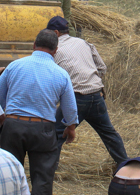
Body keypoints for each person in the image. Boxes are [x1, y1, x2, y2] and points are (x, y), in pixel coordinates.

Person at [0, 29, 77, 195]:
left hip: (13, 125)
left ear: (33, 45)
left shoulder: (14, 66)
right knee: (43, 176)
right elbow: (70, 108)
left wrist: (4, 121)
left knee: (10, 172)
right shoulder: (61, 73)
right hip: (43, 128)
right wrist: (71, 127)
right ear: (55, 51)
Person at [46, 16, 127, 164]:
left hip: (76, 98)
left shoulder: (55, 50)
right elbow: (102, 68)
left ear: (56, 33)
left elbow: (53, 77)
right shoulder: (83, 43)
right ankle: (125, 165)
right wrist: (89, 79)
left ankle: (48, 170)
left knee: (56, 134)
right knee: (109, 133)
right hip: (96, 95)